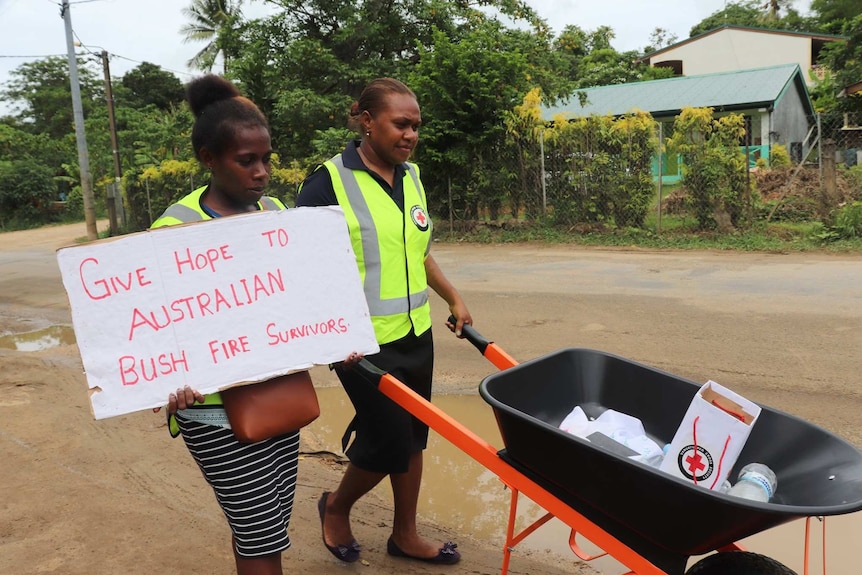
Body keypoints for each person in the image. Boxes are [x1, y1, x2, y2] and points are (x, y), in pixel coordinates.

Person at [151, 74, 360, 575]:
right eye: (247, 161)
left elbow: (295, 299)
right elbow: (157, 333)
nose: (262, 172)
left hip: (279, 394)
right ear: (208, 158)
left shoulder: (276, 212)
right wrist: (168, 383)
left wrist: (336, 335)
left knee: (266, 528)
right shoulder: (172, 232)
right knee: (259, 536)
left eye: (266, 159)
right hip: (215, 413)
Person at [295, 77, 472, 565]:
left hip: (415, 335)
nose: (410, 134)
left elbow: (419, 251)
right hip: (360, 345)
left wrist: (453, 297)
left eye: (416, 126)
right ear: (367, 121)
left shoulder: (410, 177)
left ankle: (405, 534)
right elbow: (298, 270)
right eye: (400, 124)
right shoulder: (326, 184)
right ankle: (336, 507)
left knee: (413, 436)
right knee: (389, 439)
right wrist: (326, 336)